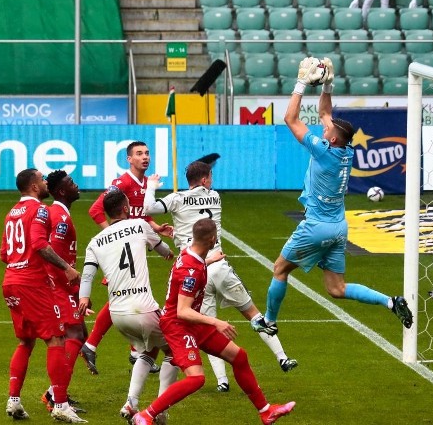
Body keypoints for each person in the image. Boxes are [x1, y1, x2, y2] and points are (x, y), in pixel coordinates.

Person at [257, 57, 413, 335]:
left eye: (326, 131)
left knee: (280, 268)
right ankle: (391, 302)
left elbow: (290, 119)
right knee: (336, 288)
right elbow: (326, 115)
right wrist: (327, 84)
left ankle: (269, 320)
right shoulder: (347, 150)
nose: (323, 128)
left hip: (316, 227)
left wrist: (302, 83)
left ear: (329, 140)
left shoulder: (323, 151)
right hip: (339, 228)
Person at [144, 160, 298, 394]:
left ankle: (222, 380)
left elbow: (149, 208)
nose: (212, 181)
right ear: (205, 180)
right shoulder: (215, 197)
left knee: (206, 325)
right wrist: (177, 231)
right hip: (220, 265)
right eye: (210, 177)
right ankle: (282, 356)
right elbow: (199, 224)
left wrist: (152, 184)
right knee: (254, 315)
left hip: (197, 270)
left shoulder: (177, 198)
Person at [132, 218, 295, 425]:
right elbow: (182, 311)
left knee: (239, 357)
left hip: (193, 323)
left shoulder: (193, 255)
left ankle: (266, 411)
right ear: (212, 239)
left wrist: (210, 260)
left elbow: (193, 268)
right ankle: (145, 415)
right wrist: (215, 322)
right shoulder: (190, 271)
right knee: (196, 378)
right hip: (178, 326)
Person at [78, 189, 177, 422]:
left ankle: (131, 404)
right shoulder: (139, 226)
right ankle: (160, 410)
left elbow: (88, 275)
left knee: (148, 351)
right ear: (125, 208)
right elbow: (163, 250)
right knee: (173, 351)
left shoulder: (95, 241)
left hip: (117, 315)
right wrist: (169, 252)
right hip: (143, 308)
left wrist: (84, 298)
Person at [1, 168, 86, 423]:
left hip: (10, 282)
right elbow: (39, 244)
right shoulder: (39, 210)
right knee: (56, 339)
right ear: (34, 186)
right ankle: (60, 403)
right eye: (41, 179)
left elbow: (4, 253)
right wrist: (67, 268)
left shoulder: (11, 213)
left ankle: (14, 400)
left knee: (26, 342)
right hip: (31, 284)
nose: (45, 182)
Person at [82, 140, 170, 374]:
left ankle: (135, 352)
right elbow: (95, 210)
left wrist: (155, 227)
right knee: (121, 297)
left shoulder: (143, 183)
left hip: (129, 248)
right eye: (139, 154)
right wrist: (114, 237)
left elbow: (138, 215)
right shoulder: (121, 183)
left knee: (126, 296)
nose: (145, 157)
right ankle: (91, 345)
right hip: (120, 251)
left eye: (147, 153)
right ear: (129, 159)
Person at [40, 170, 87, 415]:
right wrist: (73, 289)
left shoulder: (59, 213)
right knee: (74, 335)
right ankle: (55, 396)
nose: (76, 184)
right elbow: (53, 254)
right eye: (71, 183)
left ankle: (57, 392)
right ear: (61, 191)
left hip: (61, 287)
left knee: (78, 334)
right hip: (58, 287)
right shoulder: (59, 216)